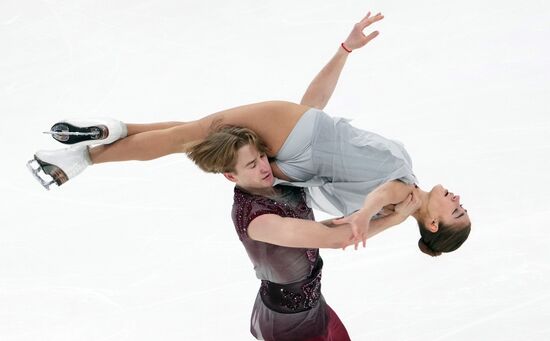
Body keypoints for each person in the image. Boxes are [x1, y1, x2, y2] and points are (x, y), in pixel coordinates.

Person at [28, 12, 470, 256]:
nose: (456, 199)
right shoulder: (384, 208)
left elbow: (382, 189)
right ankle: (102, 139)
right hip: (295, 136)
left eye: (456, 211)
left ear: (431, 224)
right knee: (190, 134)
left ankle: (86, 153)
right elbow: (313, 109)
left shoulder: (402, 189)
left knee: (189, 134)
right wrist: (344, 52)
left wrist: (375, 216)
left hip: (293, 132)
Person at [189, 123, 419, 340]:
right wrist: (394, 219)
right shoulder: (256, 220)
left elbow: (318, 229)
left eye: (261, 156)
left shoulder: (276, 185)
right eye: (251, 164)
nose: (263, 166)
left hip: (314, 306)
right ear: (231, 176)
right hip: (288, 326)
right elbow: (332, 239)